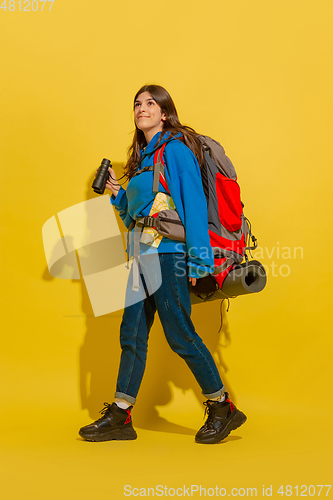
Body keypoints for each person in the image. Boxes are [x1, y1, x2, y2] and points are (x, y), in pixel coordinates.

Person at [79, 84, 247, 444]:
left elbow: (193, 205)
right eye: (137, 104)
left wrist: (200, 263)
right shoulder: (143, 160)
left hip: (169, 254)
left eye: (150, 103)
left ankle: (222, 407)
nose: (142, 108)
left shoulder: (175, 151)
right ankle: (122, 415)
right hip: (141, 253)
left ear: (165, 113)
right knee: (132, 334)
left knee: (180, 334)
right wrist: (117, 193)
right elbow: (135, 215)